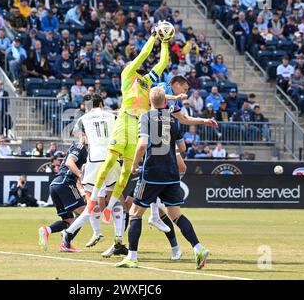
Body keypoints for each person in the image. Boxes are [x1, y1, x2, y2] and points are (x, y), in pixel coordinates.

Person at [87, 25, 217, 223]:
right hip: (124, 120)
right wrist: (153, 36)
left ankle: (111, 206)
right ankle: (94, 199)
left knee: (126, 171)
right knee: (110, 161)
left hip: (138, 125)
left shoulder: (148, 82)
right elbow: (143, 54)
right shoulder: (128, 75)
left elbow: (163, 62)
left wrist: (165, 43)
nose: (138, 63)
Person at [116, 87, 209, 269]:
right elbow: (182, 148)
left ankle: (132, 257)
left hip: (152, 174)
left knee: (135, 213)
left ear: (150, 101)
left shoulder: (146, 117)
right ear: (165, 102)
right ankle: (198, 248)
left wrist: (135, 164)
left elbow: (142, 145)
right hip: (171, 174)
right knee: (176, 215)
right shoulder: (173, 120)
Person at [61, 94, 126, 256]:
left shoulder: (84, 118)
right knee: (116, 199)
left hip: (94, 159)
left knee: (92, 202)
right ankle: (118, 240)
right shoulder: (113, 115)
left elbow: (80, 137)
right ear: (102, 103)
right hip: (112, 158)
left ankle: (69, 233)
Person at [38, 136, 88, 253]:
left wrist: (82, 191)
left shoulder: (84, 151)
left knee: (69, 221)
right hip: (65, 183)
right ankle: (66, 243)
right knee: (84, 213)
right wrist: (81, 175)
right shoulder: (79, 147)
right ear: (83, 136)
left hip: (55, 184)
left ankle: (47, 230)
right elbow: (70, 163)